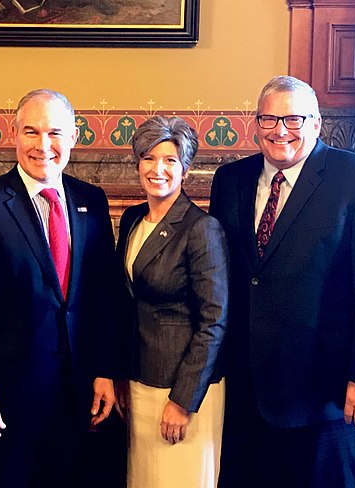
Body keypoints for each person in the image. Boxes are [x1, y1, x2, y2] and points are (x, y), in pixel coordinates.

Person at [209, 76, 355, 488]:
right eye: (269, 118)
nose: (280, 130)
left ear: (316, 123)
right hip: (248, 391)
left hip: (329, 395)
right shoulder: (230, 180)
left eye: (293, 118)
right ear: (256, 123)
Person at [0, 89, 120, 488]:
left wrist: (106, 371)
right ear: (14, 134)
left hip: (78, 393)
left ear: (74, 138)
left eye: (55, 133)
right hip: (7, 398)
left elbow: (102, 297)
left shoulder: (91, 200)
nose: (43, 145)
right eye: (31, 132)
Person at [116, 116, 228, 488]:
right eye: (148, 158)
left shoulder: (201, 228)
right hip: (139, 384)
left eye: (169, 160)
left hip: (182, 390)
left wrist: (183, 402)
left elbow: (214, 321)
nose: (157, 169)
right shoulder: (133, 219)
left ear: (186, 169)